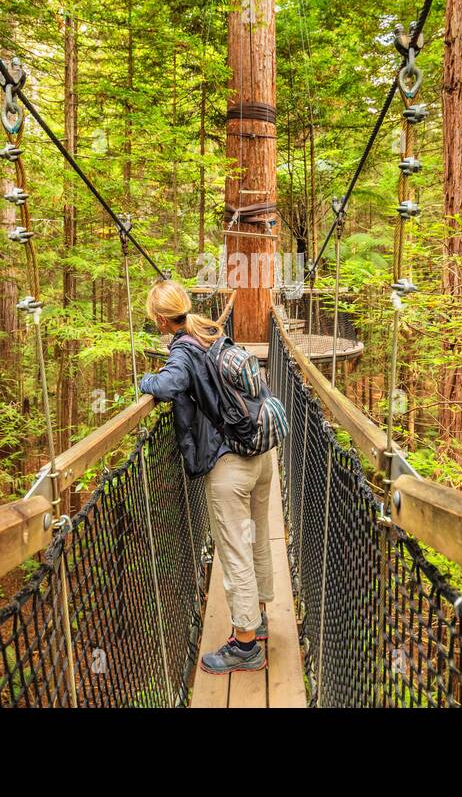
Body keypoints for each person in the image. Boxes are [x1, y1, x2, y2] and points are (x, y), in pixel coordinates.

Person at [139, 279, 273, 674]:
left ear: (163, 320)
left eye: (155, 319)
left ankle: (246, 644)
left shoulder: (182, 348)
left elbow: (167, 384)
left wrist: (144, 381)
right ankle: (259, 617)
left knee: (234, 551)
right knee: (258, 538)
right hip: (261, 452)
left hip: (230, 463)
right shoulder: (211, 331)